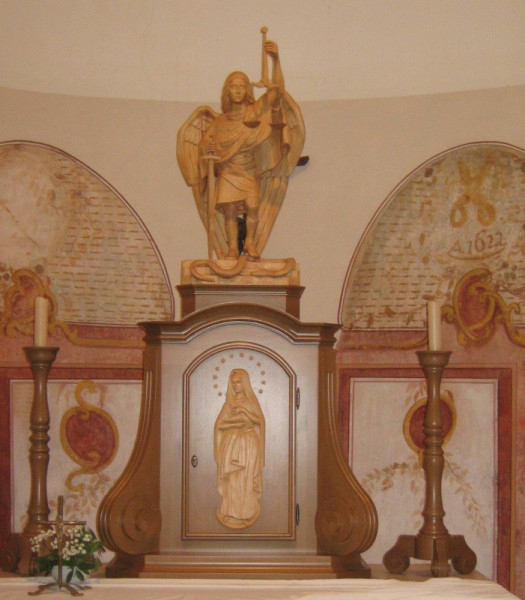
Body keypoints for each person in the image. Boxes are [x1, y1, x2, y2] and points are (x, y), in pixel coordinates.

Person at [198, 40, 286, 259]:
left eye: (242, 86)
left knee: (253, 207)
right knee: (229, 212)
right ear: (227, 91)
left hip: (248, 170)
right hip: (228, 172)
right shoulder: (220, 122)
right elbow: (204, 147)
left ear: (248, 90)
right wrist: (208, 149)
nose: (238, 90)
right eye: (233, 86)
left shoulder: (254, 113)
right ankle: (232, 249)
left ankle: (250, 242)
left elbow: (277, 93)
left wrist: (276, 61)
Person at [214, 369, 265, 529]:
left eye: (238, 382)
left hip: (249, 445)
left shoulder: (251, 401)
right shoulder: (229, 403)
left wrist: (244, 412)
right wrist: (238, 424)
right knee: (233, 481)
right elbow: (219, 425)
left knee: (246, 480)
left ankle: (247, 514)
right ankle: (230, 512)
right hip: (231, 446)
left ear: (245, 383)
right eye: (233, 382)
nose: (235, 385)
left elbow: (259, 422)